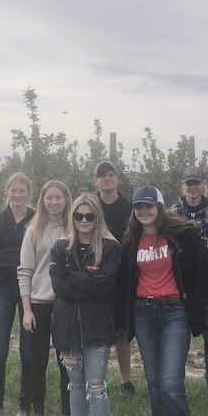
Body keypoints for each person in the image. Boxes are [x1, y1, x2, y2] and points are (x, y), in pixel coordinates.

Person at [122, 185, 208, 416]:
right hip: (144, 314)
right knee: (154, 387)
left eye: (149, 206)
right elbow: (123, 281)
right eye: (139, 207)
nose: (144, 211)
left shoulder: (183, 235)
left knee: (171, 386)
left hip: (174, 313)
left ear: (160, 208)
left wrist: (194, 304)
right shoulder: (132, 240)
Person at [51, 193, 122, 416]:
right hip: (67, 327)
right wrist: (88, 281)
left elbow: (105, 286)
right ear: (72, 218)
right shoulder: (60, 248)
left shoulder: (110, 248)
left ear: (97, 217)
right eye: (78, 216)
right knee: (75, 384)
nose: (83, 221)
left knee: (96, 386)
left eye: (89, 216)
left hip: (97, 327)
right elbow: (58, 286)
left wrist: (75, 280)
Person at [169, 164, 208, 406]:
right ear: (183, 186)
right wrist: (195, 248)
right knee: (178, 337)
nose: (193, 188)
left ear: (204, 186)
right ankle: (176, 387)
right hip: (180, 282)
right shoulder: (173, 210)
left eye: (197, 183)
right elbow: (171, 245)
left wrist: (189, 248)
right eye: (189, 183)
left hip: (205, 284)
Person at [18, 180, 72, 416]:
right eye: (49, 198)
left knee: (66, 363)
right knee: (36, 362)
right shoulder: (33, 231)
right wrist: (26, 310)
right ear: (42, 200)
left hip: (64, 303)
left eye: (58, 198)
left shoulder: (74, 227)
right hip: (37, 304)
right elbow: (25, 271)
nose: (53, 202)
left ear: (65, 200)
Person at [0, 173, 35, 416]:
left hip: (31, 292)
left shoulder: (37, 220)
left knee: (28, 351)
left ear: (28, 193)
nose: (17, 195)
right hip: (3, 288)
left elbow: (37, 257)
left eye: (21, 191)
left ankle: (25, 408)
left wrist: (12, 258)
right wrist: (17, 261)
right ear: (7, 192)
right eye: (13, 191)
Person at [92, 161, 136, 396]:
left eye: (111, 175)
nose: (107, 179)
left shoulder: (128, 207)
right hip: (95, 273)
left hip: (121, 274)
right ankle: (96, 378)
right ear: (96, 181)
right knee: (97, 328)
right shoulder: (90, 205)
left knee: (121, 329)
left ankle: (125, 381)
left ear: (117, 179)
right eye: (102, 176)